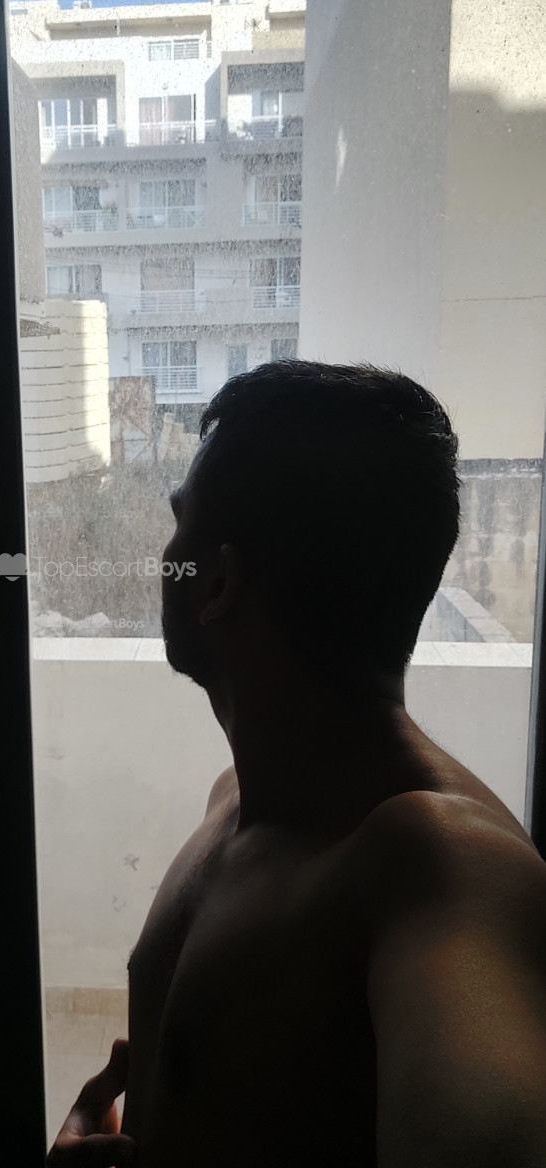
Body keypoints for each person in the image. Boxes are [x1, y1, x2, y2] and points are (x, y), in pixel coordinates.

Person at [46, 361, 546, 1168]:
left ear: (218, 583)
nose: (164, 558)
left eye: (179, 527)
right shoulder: (235, 800)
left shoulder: (440, 865)